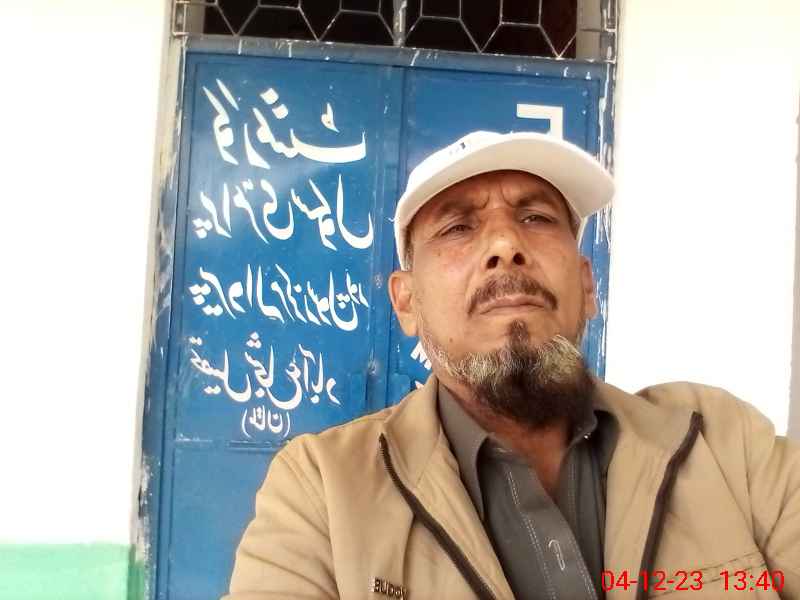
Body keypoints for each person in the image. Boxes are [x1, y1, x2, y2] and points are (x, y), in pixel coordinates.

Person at [222, 131, 800, 599]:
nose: (505, 245)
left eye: (537, 218)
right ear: (407, 303)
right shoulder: (322, 489)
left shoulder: (723, 444)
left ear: (587, 284)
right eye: (457, 227)